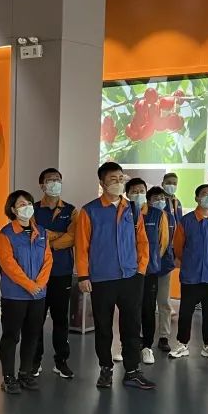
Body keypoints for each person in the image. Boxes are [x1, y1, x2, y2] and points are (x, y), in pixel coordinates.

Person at [75, 162, 155, 390]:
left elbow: (142, 242)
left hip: (130, 277)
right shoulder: (89, 211)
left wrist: (140, 270)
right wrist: (83, 276)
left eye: (121, 178)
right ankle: (105, 369)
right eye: (113, 179)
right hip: (102, 278)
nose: (118, 182)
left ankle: (132, 371)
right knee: (103, 327)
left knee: (132, 326)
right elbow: (82, 246)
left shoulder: (133, 209)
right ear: (102, 183)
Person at [0, 190, 52, 394]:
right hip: (15, 296)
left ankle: (25, 373)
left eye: (28, 203)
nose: (26, 207)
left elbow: (48, 260)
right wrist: (30, 285)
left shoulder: (41, 232)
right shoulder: (6, 234)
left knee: (32, 335)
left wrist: (40, 284)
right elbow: (9, 265)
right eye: (21, 204)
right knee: (11, 336)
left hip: (38, 295)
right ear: (13, 209)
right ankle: (8, 377)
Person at [169, 184, 208, 361]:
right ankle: (182, 343)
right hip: (191, 275)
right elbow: (178, 248)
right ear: (197, 198)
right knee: (186, 312)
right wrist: (191, 261)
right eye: (204, 194)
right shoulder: (186, 221)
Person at [33, 168, 76, 379]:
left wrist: (49, 240)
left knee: (60, 319)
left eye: (58, 180)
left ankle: (61, 361)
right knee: (36, 319)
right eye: (50, 180)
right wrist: (59, 236)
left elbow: (73, 237)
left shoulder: (71, 210)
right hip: (37, 273)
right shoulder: (32, 210)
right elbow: (33, 236)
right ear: (42, 185)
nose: (55, 183)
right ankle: (34, 361)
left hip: (62, 271)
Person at [130, 182, 170, 365]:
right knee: (130, 309)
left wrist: (150, 260)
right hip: (127, 271)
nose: (138, 194)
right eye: (134, 191)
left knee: (147, 308)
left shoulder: (157, 214)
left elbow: (163, 242)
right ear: (127, 194)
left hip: (149, 270)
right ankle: (129, 344)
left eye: (141, 191)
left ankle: (147, 346)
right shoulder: (124, 212)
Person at [156, 173, 182, 351]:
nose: (171, 185)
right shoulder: (156, 202)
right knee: (144, 302)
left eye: (174, 183)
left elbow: (179, 228)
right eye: (168, 182)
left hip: (166, 259)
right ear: (162, 183)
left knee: (164, 301)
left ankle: (164, 336)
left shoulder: (176, 203)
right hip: (148, 260)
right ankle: (142, 336)